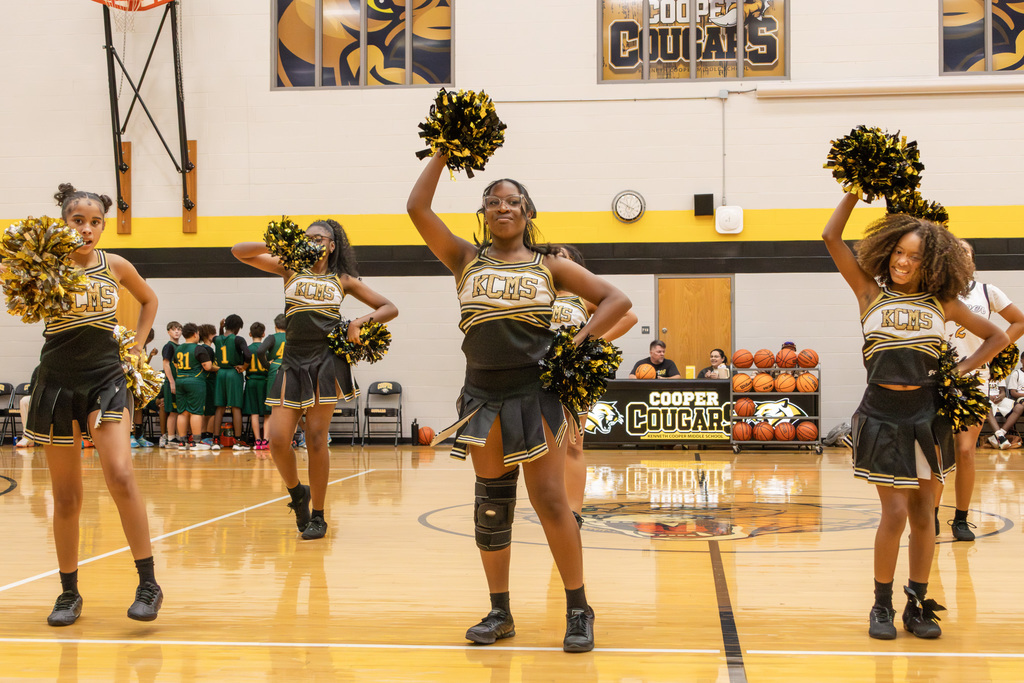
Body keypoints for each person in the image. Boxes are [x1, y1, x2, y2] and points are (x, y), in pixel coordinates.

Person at [408, 153, 631, 653]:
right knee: (492, 503)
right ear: (484, 213)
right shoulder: (464, 259)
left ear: (528, 212)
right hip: (481, 394)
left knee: (551, 501)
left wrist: (576, 345)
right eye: (493, 202)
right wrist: (443, 150)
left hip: (537, 394)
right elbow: (417, 208)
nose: (502, 207)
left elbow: (616, 300)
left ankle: (578, 609)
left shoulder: (550, 264)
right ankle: (499, 612)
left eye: (512, 201)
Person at [822, 190, 1006, 641]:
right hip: (882, 415)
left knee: (926, 513)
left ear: (933, 263)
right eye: (899, 253)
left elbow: (996, 336)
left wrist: (961, 368)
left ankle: (918, 605)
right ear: (887, 252)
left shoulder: (942, 303)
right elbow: (831, 236)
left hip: (929, 415)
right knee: (896, 513)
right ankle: (881, 605)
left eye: (915, 257)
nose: (904, 262)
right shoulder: (868, 292)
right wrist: (854, 190)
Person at [21, 183, 165, 625]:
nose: (87, 229)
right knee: (66, 497)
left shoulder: (115, 265)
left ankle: (148, 584)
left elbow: (149, 300)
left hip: (105, 378)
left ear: (104, 226)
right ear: (62, 224)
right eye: (77, 221)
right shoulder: (46, 265)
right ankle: (69, 594)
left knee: (120, 474)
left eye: (95, 222)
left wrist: (138, 346)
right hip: (58, 382)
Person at [232, 219, 397, 540]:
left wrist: (358, 323)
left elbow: (389, 307)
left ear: (332, 245)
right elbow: (238, 252)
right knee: (278, 439)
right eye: (308, 238)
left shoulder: (343, 279)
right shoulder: (289, 268)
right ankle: (297, 494)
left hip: (326, 361)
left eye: (321, 239)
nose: (314, 242)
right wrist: (278, 245)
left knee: (317, 438)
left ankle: (319, 515)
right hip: (292, 360)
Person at [933, 240, 1024, 541]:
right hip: (936, 379)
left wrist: (994, 350)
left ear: (973, 261)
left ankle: (960, 519)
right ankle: (930, 516)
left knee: (965, 451)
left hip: (973, 379)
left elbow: (1018, 321)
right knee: (936, 453)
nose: (960, 258)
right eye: (953, 253)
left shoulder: (987, 291)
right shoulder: (934, 290)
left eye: (966, 254)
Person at [549, 244, 637, 524]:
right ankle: (550, 504)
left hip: (571, 374)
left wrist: (591, 343)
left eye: (563, 256)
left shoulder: (583, 296)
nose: (557, 259)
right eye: (552, 255)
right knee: (542, 446)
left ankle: (573, 512)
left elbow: (628, 316)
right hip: (535, 373)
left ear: (575, 264)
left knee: (573, 444)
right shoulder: (539, 292)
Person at [172, 323, 216, 451]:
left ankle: (182, 441)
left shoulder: (178, 349)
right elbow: (207, 366)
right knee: (196, 412)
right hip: (195, 382)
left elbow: (175, 365)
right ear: (195, 334)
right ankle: (196, 442)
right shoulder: (199, 349)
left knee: (182, 412)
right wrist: (218, 368)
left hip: (180, 380)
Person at [213, 315, 250, 451]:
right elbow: (248, 355)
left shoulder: (216, 339)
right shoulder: (238, 339)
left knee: (220, 407)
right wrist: (245, 367)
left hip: (221, 373)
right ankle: (238, 441)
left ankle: (216, 440)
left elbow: (222, 338)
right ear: (238, 328)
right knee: (235, 407)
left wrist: (220, 327)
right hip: (233, 373)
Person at [243, 322, 270, 451]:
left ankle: (257, 440)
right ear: (264, 334)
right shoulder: (267, 348)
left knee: (254, 412)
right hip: (264, 381)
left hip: (251, 381)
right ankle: (266, 440)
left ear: (250, 334)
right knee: (267, 413)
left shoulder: (247, 349)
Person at [130, 329, 158, 448]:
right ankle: (130, 436)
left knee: (139, 408)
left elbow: (143, 364)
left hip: (139, 380)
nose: (147, 342)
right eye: (147, 340)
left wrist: (150, 356)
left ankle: (139, 436)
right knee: (130, 408)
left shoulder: (143, 347)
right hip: (129, 379)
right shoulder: (131, 345)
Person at [158, 321, 182, 448]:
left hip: (179, 382)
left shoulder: (180, 347)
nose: (177, 331)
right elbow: (166, 364)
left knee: (178, 411)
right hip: (171, 382)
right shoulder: (169, 346)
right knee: (172, 411)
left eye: (179, 329)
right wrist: (172, 381)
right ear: (168, 332)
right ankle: (171, 437)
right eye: (174, 329)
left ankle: (177, 437)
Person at [198, 323, 221, 447]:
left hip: (204, 382)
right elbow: (209, 367)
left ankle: (203, 436)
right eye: (214, 333)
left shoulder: (201, 348)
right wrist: (221, 369)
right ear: (209, 335)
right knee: (211, 410)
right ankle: (207, 436)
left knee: (204, 410)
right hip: (209, 381)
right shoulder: (208, 349)